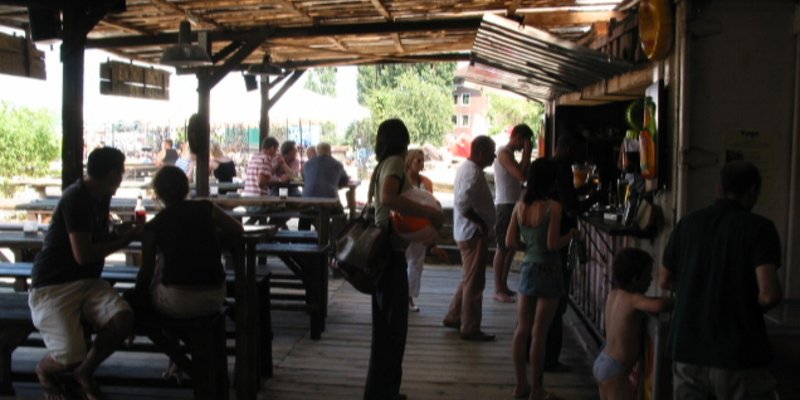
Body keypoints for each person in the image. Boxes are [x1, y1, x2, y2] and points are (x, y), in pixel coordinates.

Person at [659, 161, 782, 400]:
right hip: (738, 355)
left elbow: (664, 280)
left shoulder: (688, 224)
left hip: (687, 351)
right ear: (753, 191)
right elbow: (769, 294)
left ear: (719, 189)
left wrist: (698, 292)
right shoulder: (760, 229)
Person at [28, 147, 139, 400]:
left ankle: (85, 372)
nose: (121, 179)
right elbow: (84, 254)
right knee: (68, 358)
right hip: (53, 285)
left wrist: (117, 233)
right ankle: (44, 371)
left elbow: (95, 241)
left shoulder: (101, 196)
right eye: (121, 173)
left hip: (88, 282)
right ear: (112, 174)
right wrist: (126, 240)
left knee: (123, 319)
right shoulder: (76, 198)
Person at [134, 166, 243, 379]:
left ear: (157, 194)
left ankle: (177, 357)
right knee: (165, 276)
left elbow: (145, 273)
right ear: (186, 188)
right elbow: (238, 229)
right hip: (215, 296)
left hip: (176, 301)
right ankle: (179, 359)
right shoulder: (206, 208)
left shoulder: (154, 226)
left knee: (159, 277)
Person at [364, 119, 444, 400]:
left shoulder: (383, 164)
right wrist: (432, 215)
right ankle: (384, 393)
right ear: (404, 140)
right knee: (394, 330)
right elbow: (388, 198)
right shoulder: (396, 163)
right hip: (390, 252)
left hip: (381, 252)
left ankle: (381, 391)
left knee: (384, 329)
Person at [507, 158, 578, 400]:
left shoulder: (519, 206)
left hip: (528, 268)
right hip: (550, 269)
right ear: (551, 182)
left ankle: (520, 385)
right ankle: (537, 389)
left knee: (521, 329)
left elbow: (509, 242)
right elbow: (551, 244)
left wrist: (527, 247)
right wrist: (570, 235)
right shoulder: (554, 207)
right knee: (540, 332)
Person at [545, 132, 599, 371]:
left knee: (544, 304)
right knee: (557, 302)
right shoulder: (563, 168)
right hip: (561, 237)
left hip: (545, 238)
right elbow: (570, 208)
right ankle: (550, 358)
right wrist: (596, 196)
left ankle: (535, 352)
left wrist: (585, 187)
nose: (582, 157)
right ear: (570, 150)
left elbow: (565, 197)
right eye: (579, 151)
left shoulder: (549, 166)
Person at [594, 248, 672, 400]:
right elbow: (658, 306)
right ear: (636, 279)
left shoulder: (614, 294)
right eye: (648, 275)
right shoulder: (634, 299)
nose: (650, 280)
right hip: (615, 369)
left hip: (603, 361)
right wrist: (680, 300)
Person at [442, 135, 497, 341]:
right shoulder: (473, 174)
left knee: (469, 278)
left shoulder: (466, 169)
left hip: (465, 231)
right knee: (475, 283)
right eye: (492, 153)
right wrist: (481, 224)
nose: (493, 157)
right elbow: (464, 204)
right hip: (473, 234)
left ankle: (454, 316)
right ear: (481, 153)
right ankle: (470, 327)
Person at [492, 124, 533, 303]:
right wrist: (527, 153)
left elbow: (523, 172)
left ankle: (504, 284)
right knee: (502, 248)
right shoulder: (503, 153)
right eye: (523, 141)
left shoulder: (509, 154)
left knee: (511, 246)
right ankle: (498, 289)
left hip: (513, 204)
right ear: (517, 137)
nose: (522, 146)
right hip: (505, 205)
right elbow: (522, 176)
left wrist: (526, 155)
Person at [403, 149, 448, 312]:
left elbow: (431, 203)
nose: (421, 164)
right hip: (403, 225)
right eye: (418, 161)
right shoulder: (402, 180)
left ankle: (409, 297)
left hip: (421, 226)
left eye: (423, 161)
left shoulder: (426, 182)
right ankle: (401, 296)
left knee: (417, 263)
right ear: (409, 161)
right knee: (403, 261)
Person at [299, 142, 349, 230]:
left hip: (307, 204)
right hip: (330, 204)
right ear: (330, 152)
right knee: (340, 212)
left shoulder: (306, 165)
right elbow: (345, 181)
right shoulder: (337, 164)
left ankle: (301, 238)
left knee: (304, 213)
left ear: (317, 152)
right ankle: (337, 236)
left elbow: (305, 180)